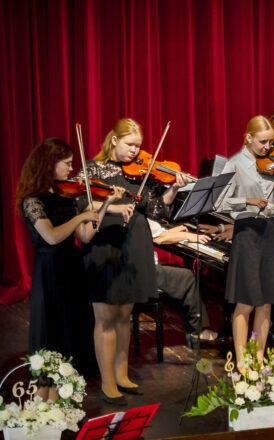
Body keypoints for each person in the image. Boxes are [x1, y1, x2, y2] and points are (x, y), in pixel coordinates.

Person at [81, 118, 187, 405]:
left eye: (138, 146)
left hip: (135, 245)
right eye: (130, 145)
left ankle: (122, 374)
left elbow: (156, 209)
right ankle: (106, 382)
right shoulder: (92, 169)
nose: (135, 152)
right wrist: (114, 207)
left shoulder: (143, 171)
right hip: (105, 245)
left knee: (125, 316)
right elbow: (81, 206)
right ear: (114, 141)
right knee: (105, 318)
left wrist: (174, 189)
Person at [16, 138, 119, 377]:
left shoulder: (66, 194)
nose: (72, 169)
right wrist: (80, 217)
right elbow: (51, 236)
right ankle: (52, 378)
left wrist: (103, 208)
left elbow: (84, 236)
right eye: (67, 163)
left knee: (73, 320)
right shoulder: (32, 201)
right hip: (49, 266)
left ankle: (72, 375)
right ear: (50, 163)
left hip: (71, 264)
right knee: (53, 322)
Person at [215, 115, 274, 368]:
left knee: (265, 302)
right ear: (248, 138)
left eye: (270, 142)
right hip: (247, 233)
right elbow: (218, 201)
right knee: (245, 303)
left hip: (270, 232)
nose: (268, 147)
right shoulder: (234, 164)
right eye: (262, 142)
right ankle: (241, 361)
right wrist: (247, 201)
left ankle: (258, 358)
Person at [146, 219, 219, 348]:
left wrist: (172, 231)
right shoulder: (136, 215)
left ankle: (195, 328)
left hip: (143, 268)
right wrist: (188, 236)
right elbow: (159, 239)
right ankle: (197, 331)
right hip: (146, 272)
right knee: (187, 277)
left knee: (184, 276)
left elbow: (156, 233)